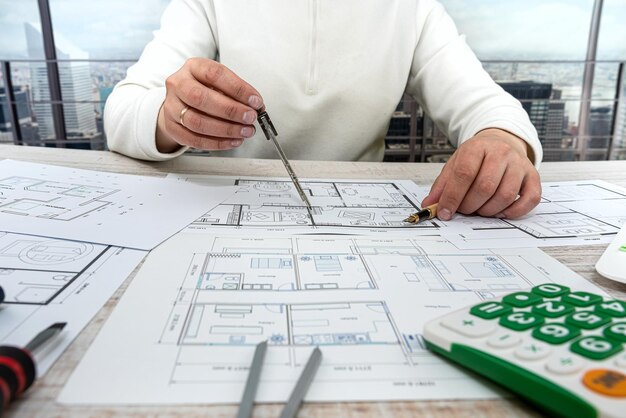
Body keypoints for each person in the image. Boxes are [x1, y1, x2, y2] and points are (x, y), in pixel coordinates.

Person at [105, 0, 543, 221]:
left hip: (362, 217)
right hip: (230, 210)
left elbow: (487, 105)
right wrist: (168, 117)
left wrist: (501, 139)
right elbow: (122, 112)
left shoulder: (413, 8)